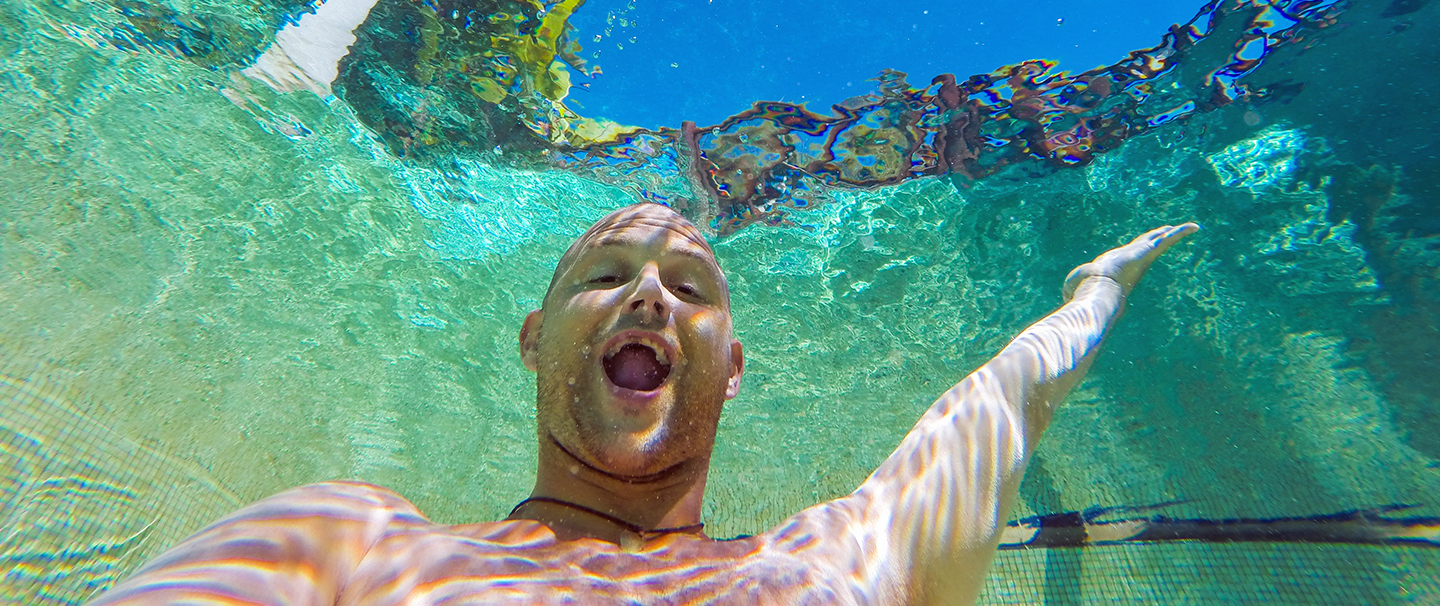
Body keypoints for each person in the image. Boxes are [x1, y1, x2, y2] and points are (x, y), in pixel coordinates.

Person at [91, 203, 1198, 606]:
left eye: (691, 287)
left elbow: (1005, 400)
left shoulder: (856, 549)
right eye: (605, 273)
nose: (652, 290)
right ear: (537, 341)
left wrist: (1095, 292)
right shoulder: (347, 537)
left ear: (730, 365)